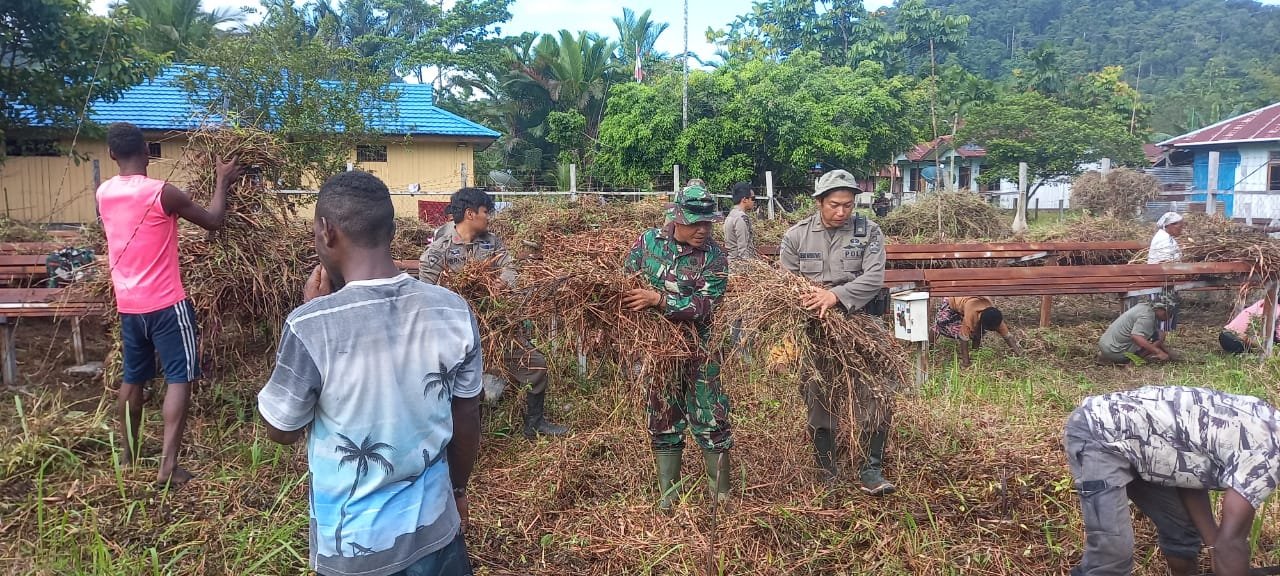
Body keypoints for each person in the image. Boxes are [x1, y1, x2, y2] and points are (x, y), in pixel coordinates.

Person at [258, 171, 481, 576]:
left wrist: (310, 310)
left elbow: (281, 428)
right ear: (392, 230)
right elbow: (467, 415)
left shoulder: (310, 325)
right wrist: (459, 490)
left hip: (355, 552)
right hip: (439, 534)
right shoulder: (453, 309)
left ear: (326, 231)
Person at [96, 122, 242, 486]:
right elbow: (212, 221)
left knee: (133, 379)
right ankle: (167, 468)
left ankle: (128, 459)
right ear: (147, 153)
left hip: (128, 305)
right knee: (180, 378)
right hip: (166, 304)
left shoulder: (103, 193)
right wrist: (222, 180)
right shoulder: (163, 193)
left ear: (112, 154)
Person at [1064, 385, 1280, 576]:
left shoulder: (1270, 422)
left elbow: (1190, 474)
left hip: (1148, 447)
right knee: (1112, 556)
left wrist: (1214, 545)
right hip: (1100, 432)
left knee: (1183, 533)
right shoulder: (1268, 456)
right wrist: (1222, 549)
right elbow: (1231, 543)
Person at [779, 169, 896, 496]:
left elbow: (874, 278)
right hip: (816, 330)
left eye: (848, 204)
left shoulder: (869, 232)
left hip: (863, 326)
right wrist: (813, 301)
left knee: (875, 397)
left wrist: (835, 296)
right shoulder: (796, 236)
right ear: (819, 202)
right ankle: (826, 471)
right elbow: (786, 284)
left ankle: (871, 469)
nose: (841, 212)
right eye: (834, 205)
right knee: (819, 399)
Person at [418, 188, 568, 439]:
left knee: (536, 365)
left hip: (495, 327)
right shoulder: (440, 248)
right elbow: (425, 291)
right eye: (486, 212)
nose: (489, 217)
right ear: (470, 213)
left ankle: (534, 424)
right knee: (454, 385)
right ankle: (456, 435)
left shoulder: (491, 242)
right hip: (455, 333)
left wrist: (502, 282)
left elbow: (509, 267)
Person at [622, 184, 733, 510]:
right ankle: (668, 496)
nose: (703, 230)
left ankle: (720, 498)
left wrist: (658, 300)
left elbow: (704, 305)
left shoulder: (715, 257)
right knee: (663, 417)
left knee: (711, 417)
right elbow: (627, 280)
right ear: (677, 219)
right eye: (696, 222)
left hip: (702, 350)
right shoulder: (648, 242)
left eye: (708, 223)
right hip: (659, 352)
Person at [932, 296, 1023, 367]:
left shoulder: (994, 315)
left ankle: (975, 353)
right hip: (953, 300)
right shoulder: (971, 314)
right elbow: (964, 338)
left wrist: (1021, 356)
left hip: (970, 301)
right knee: (940, 324)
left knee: (979, 331)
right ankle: (930, 348)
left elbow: (1008, 337)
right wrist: (966, 363)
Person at [1097, 299, 1175, 364]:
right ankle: (1134, 361)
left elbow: (1154, 336)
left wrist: (1166, 352)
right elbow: (1136, 337)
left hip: (1105, 346)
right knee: (1161, 335)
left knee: (1157, 334)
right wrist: (1158, 352)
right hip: (1116, 351)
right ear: (1160, 309)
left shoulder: (1142, 307)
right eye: (1167, 314)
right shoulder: (1147, 316)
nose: (1168, 318)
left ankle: (1106, 356)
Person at [723, 181, 756, 261]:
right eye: (753, 198)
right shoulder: (741, 218)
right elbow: (743, 248)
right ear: (744, 199)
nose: (754, 201)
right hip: (739, 264)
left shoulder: (731, 215)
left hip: (732, 262)